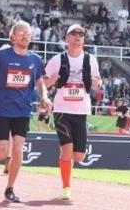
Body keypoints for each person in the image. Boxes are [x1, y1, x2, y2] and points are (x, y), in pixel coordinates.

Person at [0, 21, 51, 203]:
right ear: (12, 36)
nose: (26, 36)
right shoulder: (2, 56)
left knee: (18, 150)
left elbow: (41, 83)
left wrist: (44, 97)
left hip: (22, 111)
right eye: (21, 33)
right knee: (3, 152)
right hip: (2, 110)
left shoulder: (35, 60)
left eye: (28, 33)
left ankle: (9, 188)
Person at [43, 24, 101, 200]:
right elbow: (42, 83)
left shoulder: (90, 60)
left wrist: (97, 83)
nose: (78, 37)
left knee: (79, 156)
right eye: (74, 34)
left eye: (81, 34)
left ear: (84, 39)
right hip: (62, 110)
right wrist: (51, 81)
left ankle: (65, 162)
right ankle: (66, 188)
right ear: (67, 38)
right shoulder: (57, 59)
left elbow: (98, 80)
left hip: (81, 110)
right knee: (67, 150)